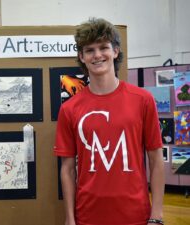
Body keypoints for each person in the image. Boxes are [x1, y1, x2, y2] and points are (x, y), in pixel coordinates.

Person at [54, 18, 165, 225]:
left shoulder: (143, 100)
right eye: (89, 50)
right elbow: (67, 169)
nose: (97, 55)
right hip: (88, 216)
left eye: (103, 47)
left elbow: (156, 160)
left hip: (136, 215)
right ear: (81, 56)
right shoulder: (69, 109)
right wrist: (69, 218)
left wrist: (156, 215)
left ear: (115, 51)